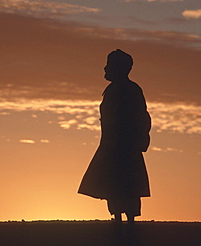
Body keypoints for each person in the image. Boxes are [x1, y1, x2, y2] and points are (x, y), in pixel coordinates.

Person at [78, 49, 151, 225]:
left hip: (122, 146)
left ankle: (127, 221)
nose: (105, 69)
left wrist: (137, 140)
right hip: (115, 145)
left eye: (109, 65)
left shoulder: (127, 90)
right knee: (116, 184)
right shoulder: (117, 89)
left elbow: (141, 118)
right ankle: (119, 219)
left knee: (123, 183)